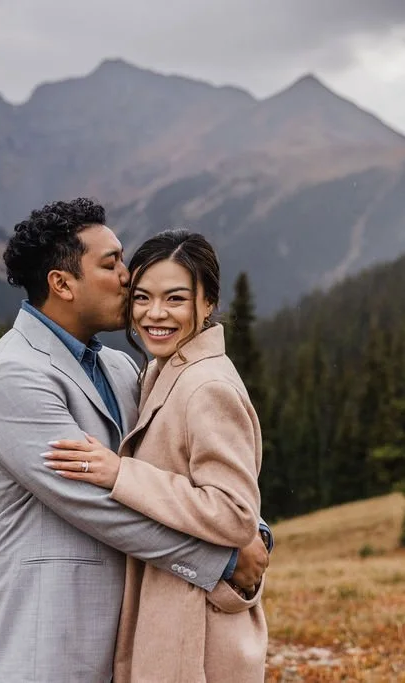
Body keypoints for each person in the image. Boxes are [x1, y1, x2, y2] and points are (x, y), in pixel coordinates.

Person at [0, 199, 270, 683]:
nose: (129, 277)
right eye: (111, 264)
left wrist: (251, 528)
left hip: (131, 643)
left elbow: (176, 474)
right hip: (49, 647)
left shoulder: (123, 366)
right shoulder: (11, 375)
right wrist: (225, 558)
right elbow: (99, 503)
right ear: (62, 284)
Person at [45, 229, 269, 682]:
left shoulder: (207, 387)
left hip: (196, 632)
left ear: (208, 305)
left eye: (176, 299)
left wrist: (120, 474)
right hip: (171, 613)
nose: (155, 314)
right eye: (142, 298)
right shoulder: (160, 371)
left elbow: (234, 514)